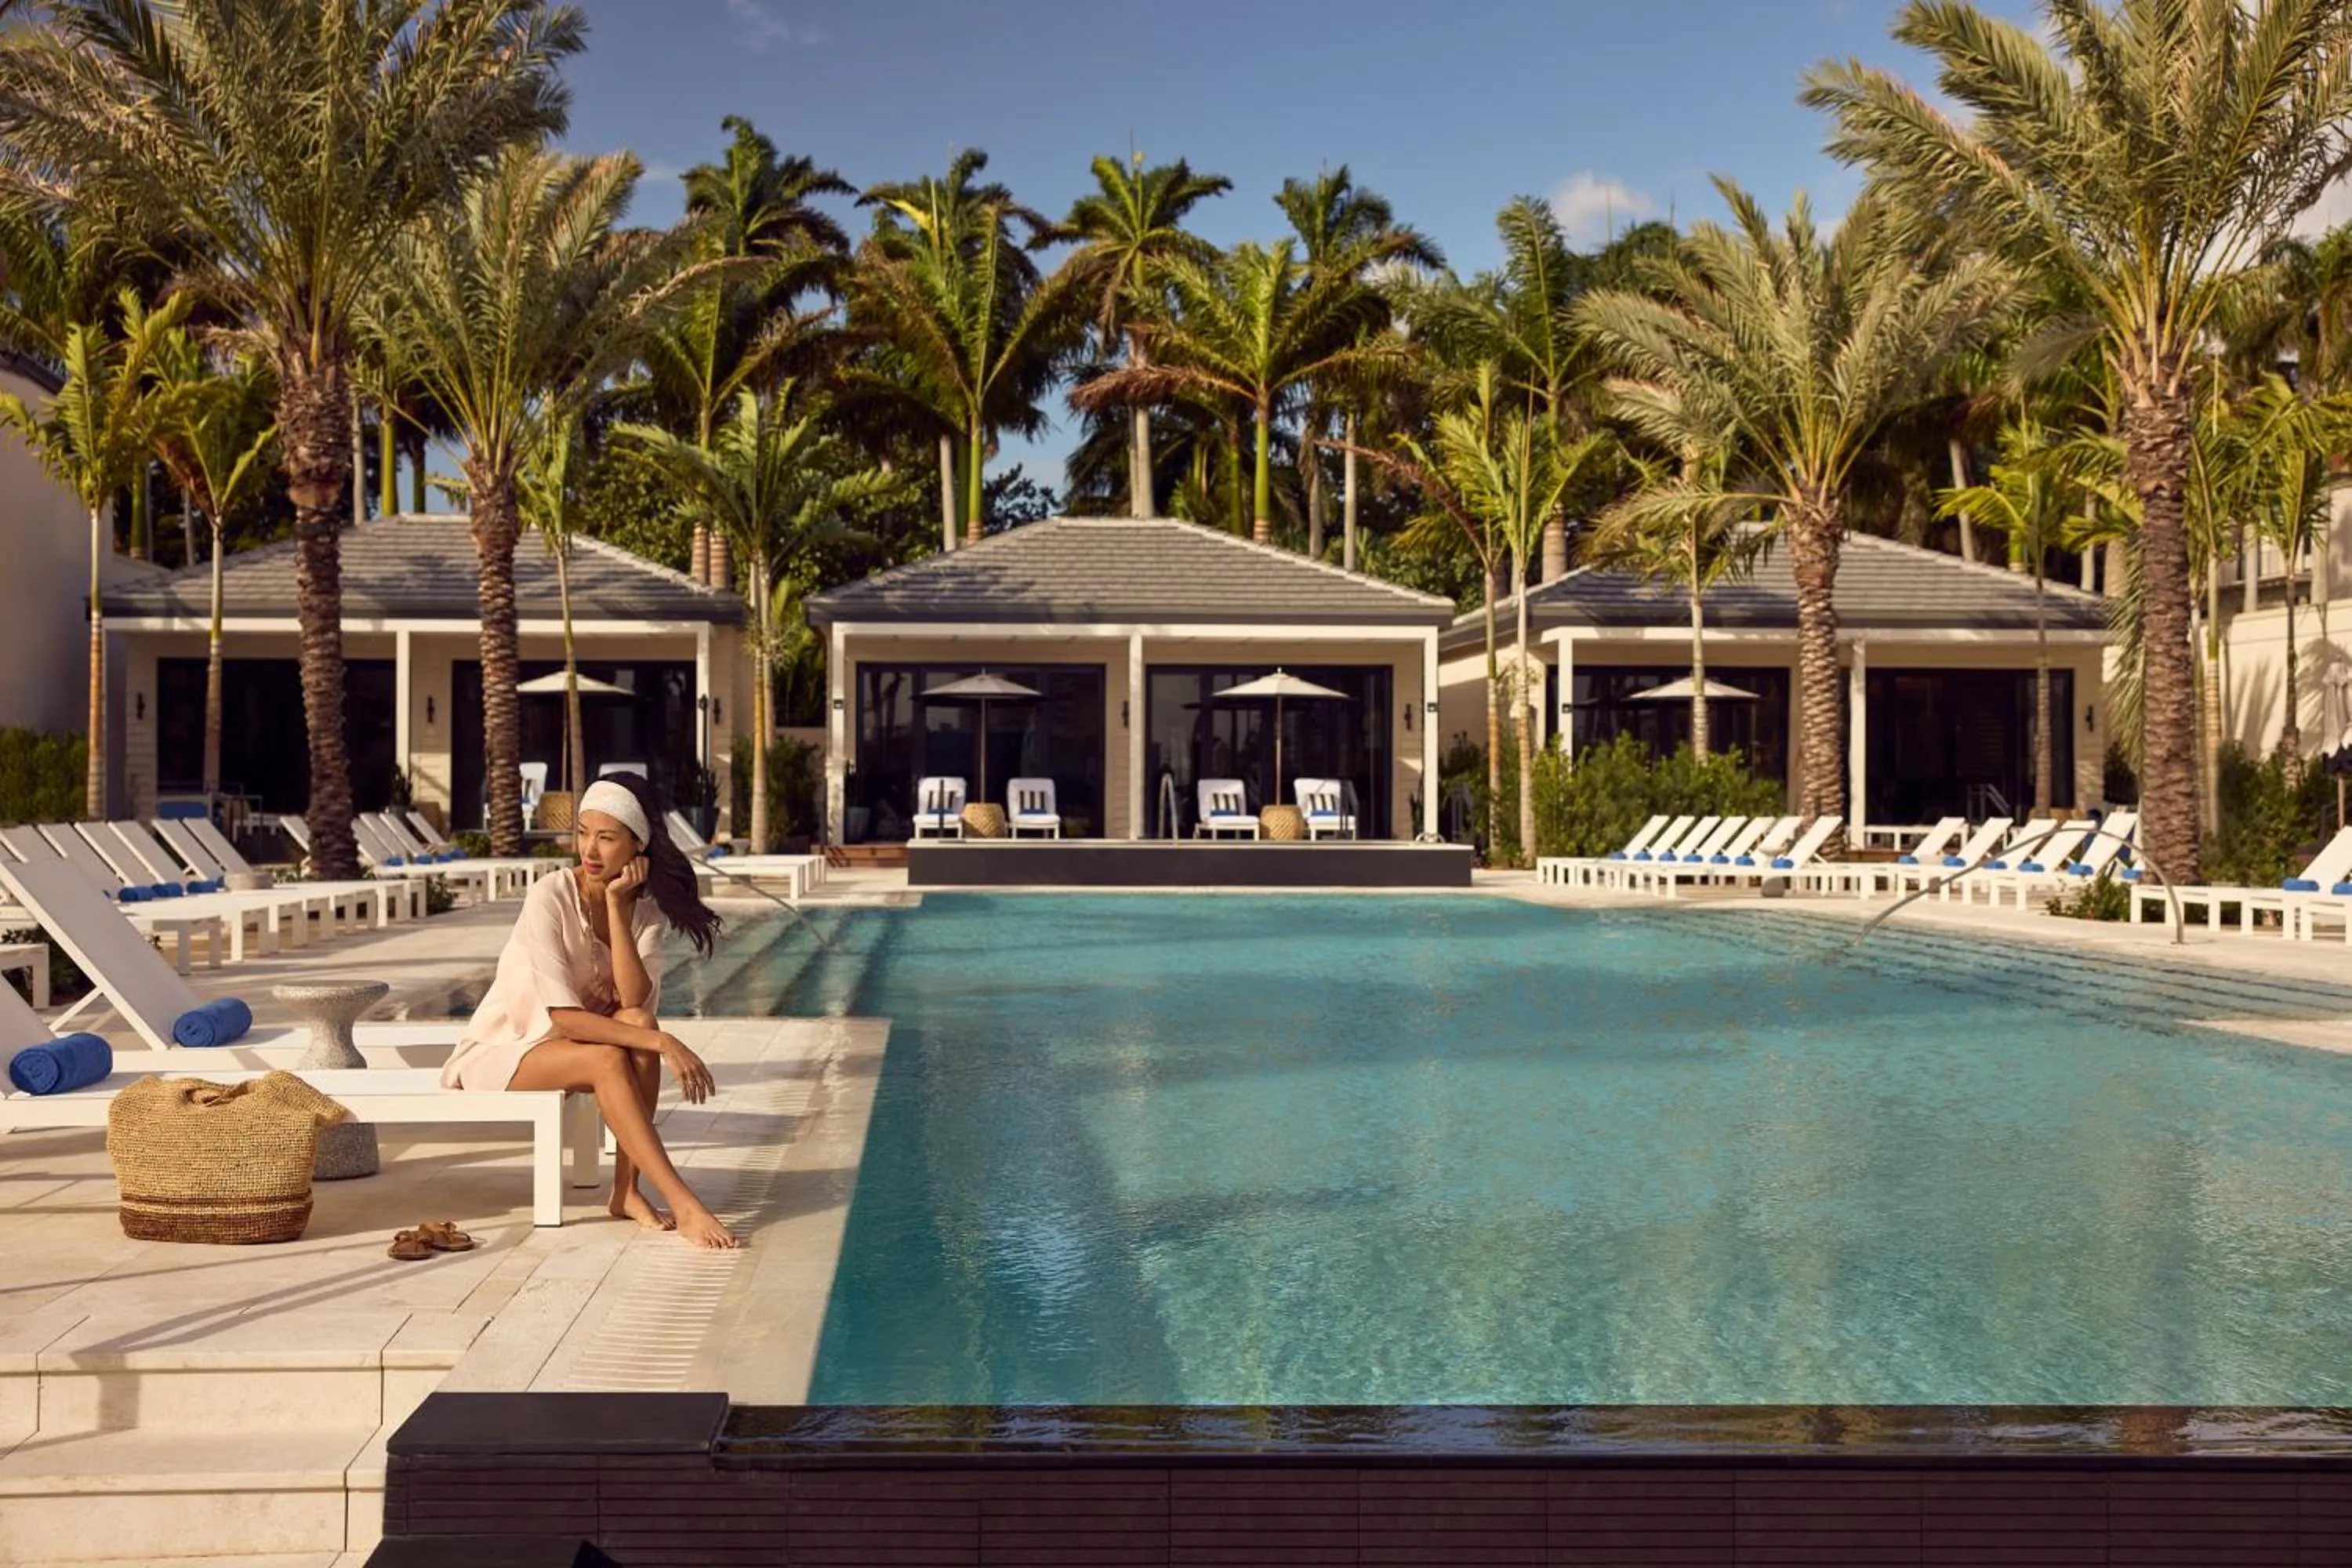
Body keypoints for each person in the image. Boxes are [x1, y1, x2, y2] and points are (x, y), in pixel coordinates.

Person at [441, 771, 741, 1248]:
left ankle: (627, 1191)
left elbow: (634, 1000)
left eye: (607, 837)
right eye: (583, 833)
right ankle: (684, 1202)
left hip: (571, 1046)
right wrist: (665, 1043)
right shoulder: (550, 895)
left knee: (637, 1023)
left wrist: (619, 912)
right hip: (508, 1049)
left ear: (636, 847)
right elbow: (562, 1018)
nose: (590, 850)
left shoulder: (643, 912)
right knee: (618, 1050)